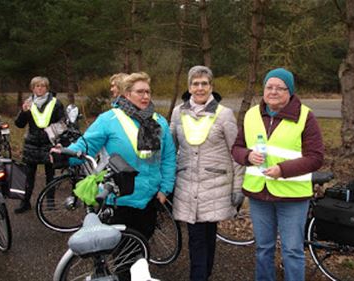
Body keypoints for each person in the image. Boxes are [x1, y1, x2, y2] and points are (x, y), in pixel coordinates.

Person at [53, 72, 176, 240]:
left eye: (148, 92)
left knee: (143, 246)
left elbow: (168, 158)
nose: (145, 96)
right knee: (122, 253)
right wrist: (64, 155)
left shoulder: (159, 121)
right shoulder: (109, 119)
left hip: (149, 198)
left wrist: (165, 189)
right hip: (118, 199)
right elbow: (86, 145)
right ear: (127, 94)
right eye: (140, 92)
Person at [231, 68, 324, 281]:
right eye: (268, 87)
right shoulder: (252, 114)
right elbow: (236, 147)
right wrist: (247, 156)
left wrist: (283, 170)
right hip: (258, 194)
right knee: (263, 248)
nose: (273, 91)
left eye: (279, 88)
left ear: (289, 91)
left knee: (292, 251)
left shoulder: (305, 116)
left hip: (292, 197)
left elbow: (316, 157)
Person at [170, 65, 244, 281]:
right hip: (187, 184)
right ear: (189, 87)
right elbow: (170, 148)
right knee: (198, 238)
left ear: (211, 86)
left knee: (207, 235)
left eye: (204, 83)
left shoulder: (224, 115)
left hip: (215, 186)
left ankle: (202, 275)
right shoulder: (177, 112)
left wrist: (238, 187)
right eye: (195, 83)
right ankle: (201, 276)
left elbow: (236, 154)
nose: (200, 87)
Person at [14, 76, 65, 214]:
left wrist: (54, 136)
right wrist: (24, 112)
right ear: (32, 88)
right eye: (37, 86)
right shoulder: (28, 103)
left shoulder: (56, 103)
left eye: (42, 86)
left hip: (49, 145)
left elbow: (63, 123)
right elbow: (19, 124)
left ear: (47, 88)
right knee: (29, 176)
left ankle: (50, 203)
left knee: (50, 176)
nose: (40, 88)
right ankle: (25, 202)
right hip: (31, 144)